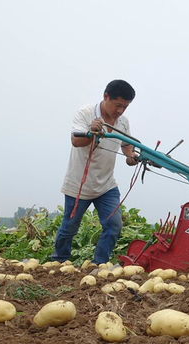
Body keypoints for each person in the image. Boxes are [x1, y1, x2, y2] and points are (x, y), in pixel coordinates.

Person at [51, 79, 139, 265]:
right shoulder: (85, 113)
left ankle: (99, 264)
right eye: (118, 105)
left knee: (114, 225)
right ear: (106, 96)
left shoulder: (122, 122)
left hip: (106, 185)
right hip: (79, 185)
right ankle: (58, 263)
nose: (120, 111)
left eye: (125, 107)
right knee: (69, 228)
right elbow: (76, 140)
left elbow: (126, 144)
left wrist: (130, 156)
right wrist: (91, 133)